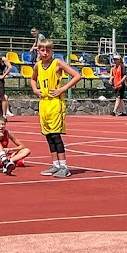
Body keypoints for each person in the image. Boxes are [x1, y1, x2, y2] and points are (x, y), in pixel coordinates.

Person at [31, 38, 82, 178]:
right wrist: (35, 90)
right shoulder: (38, 65)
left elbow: (77, 75)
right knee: (47, 135)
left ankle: (64, 166)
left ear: (52, 50)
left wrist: (62, 89)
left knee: (55, 135)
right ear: (39, 51)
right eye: (42, 50)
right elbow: (33, 78)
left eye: (48, 50)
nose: (45, 52)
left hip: (55, 103)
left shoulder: (57, 63)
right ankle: (55, 165)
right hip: (44, 103)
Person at [0, 43, 13, 117]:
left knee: (2, 97)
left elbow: (10, 67)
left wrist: (3, 75)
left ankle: (4, 114)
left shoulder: (2, 57)